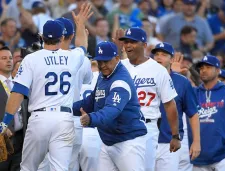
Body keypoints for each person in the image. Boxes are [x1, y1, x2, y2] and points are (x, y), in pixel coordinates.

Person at [0, 19, 87, 171]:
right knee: (60, 168)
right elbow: (83, 47)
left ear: (41, 36)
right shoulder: (73, 57)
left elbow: (18, 93)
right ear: (62, 37)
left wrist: (4, 122)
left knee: (28, 168)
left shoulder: (31, 59)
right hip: (64, 119)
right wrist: (80, 25)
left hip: (40, 119)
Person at [73, 41, 147, 171]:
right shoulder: (104, 74)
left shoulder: (121, 81)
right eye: (100, 62)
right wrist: (66, 108)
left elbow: (111, 111)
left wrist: (91, 119)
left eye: (106, 61)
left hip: (128, 142)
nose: (102, 65)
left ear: (117, 58)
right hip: (108, 141)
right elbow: (92, 101)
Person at [115, 27, 180, 171]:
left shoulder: (158, 70)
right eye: (126, 42)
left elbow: (170, 105)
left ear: (144, 45)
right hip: (119, 126)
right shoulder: (119, 67)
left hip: (146, 127)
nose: (128, 45)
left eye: (133, 42)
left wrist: (175, 135)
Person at [37, 3, 93, 171]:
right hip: (73, 119)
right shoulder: (80, 58)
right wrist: (81, 27)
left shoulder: (39, 57)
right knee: (70, 165)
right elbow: (87, 80)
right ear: (71, 35)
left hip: (44, 118)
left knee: (43, 165)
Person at [151, 42, 201, 171]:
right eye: (156, 54)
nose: (159, 57)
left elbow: (193, 114)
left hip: (169, 142)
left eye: (164, 55)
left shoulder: (182, 82)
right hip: (146, 139)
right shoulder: (144, 77)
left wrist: (196, 141)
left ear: (172, 59)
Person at [192, 55, 225, 171]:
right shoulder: (194, 93)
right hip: (200, 156)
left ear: (218, 70)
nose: (204, 70)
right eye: (201, 68)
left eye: (208, 67)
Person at [0, 46, 28, 171]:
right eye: (4, 58)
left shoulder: (19, 83)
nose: (9, 61)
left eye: (10, 58)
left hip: (21, 138)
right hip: (2, 139)